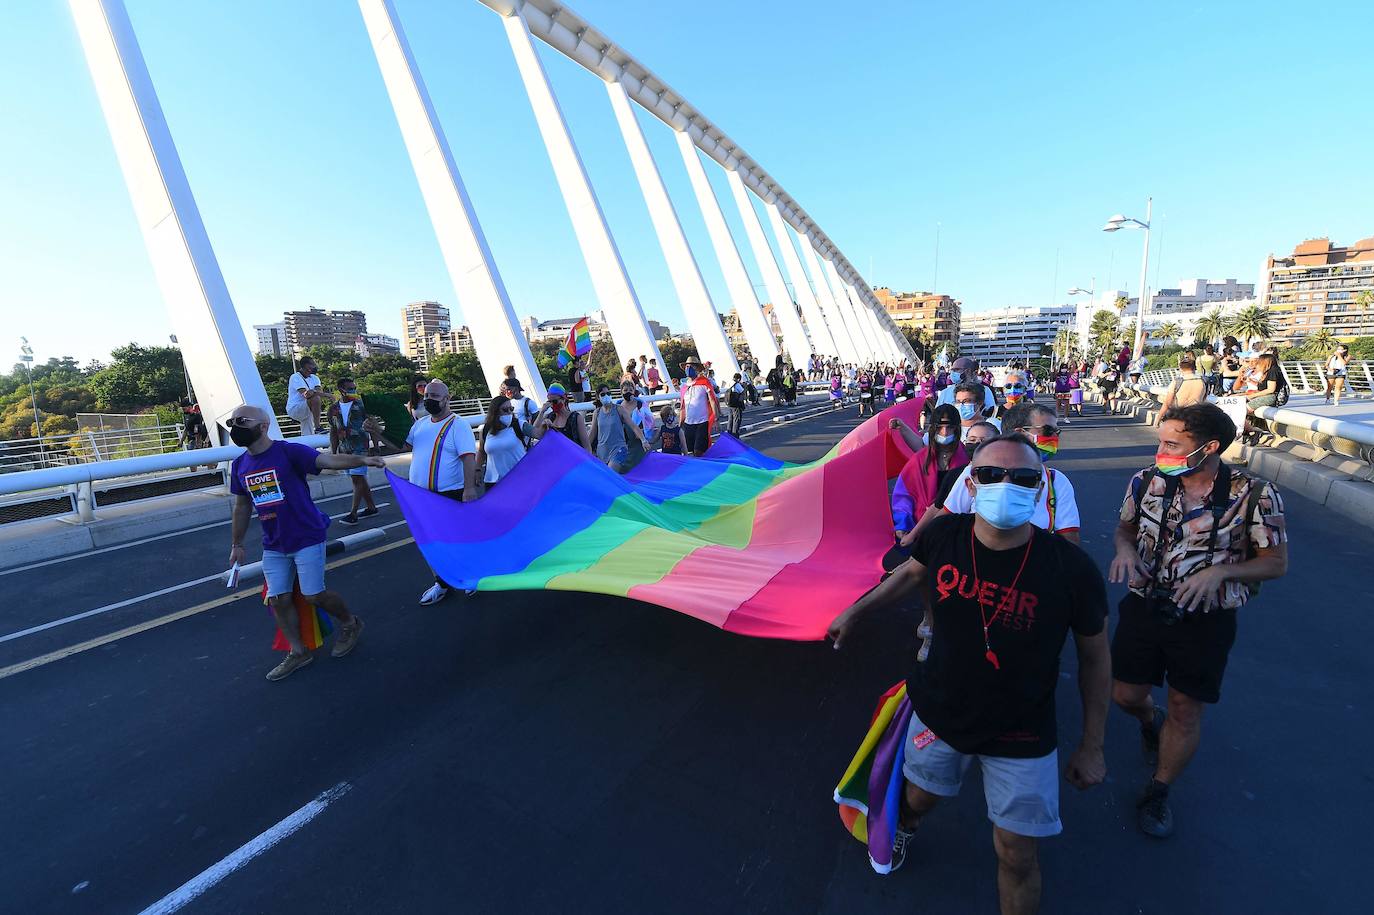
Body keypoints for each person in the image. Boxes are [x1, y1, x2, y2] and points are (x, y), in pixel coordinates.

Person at [827, 434, 1110, 912]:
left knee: (1017, 853)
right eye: (991, 474)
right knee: (918, 799)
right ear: (970, 484)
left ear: (1041, 489)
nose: (1006, 484)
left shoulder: (1072, 570)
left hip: (1023, 732)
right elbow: (913, 575)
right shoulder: (944, 535)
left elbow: (1096, 659)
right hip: (940, 712)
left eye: (1022, 477)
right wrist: (857, 611)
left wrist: (1093, 745)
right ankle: (907, 829)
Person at [1108, 403, 1288, 838]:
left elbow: (1274, 562)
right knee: (1125, 695)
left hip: (1207, 619)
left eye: (1172, 444)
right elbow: (1125, 530)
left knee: (1186, 710)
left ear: (1207, 448)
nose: (1160, 451)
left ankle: (1159, 790)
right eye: (1160, 441)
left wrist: (1221, 570)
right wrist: (1125, 552)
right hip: (1146, 605)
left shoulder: (1256, 494)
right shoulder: (1146, 481)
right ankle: (1151, 723)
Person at [225, 404, 380, 681]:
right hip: (274, 543)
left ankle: (349, 623)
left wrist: (362, 460)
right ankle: (299, 652)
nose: (235, 426)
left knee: (313, 595)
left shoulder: (288, 452)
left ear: (263, 426)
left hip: (307, 535)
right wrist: (237, 544)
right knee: (278, 599)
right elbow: (241, 507)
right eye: (232, 421)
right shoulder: (239, 465)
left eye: (242, 421)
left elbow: (328, 461)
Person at [942, 402, 1080, 544]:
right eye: (1048, 431)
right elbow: (945, 521)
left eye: (1057, 432)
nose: (1054, 437)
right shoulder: (978, 472)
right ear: (1020, 433)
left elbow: (1069, 540)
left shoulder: (1056, 481)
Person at [407, 380, 478, 606]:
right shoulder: (420, 425)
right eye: (427, 395)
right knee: (428, 541)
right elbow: (403, 446)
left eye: (435, 396)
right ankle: (442, 582)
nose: (429, 399)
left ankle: (469, 577)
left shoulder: (458, 425)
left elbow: (468, 457)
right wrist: (377, 433)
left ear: (447, 399)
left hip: (450, 493)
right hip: (419, 495)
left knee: (455, 539)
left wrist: (469, 488)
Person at [327, 378, 379, 525]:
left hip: (360, 448)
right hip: (345, 449)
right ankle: (371, 507)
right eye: (350, 388)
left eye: (354, 388)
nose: (353, 391)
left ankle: (353, 513)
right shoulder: (333, 409)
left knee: (357, 478)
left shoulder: (362, 405)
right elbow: (333, 431)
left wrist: (375, 446)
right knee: (359, 478)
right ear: (341, 390)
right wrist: (333, 451)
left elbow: (372, 426)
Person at [590, 383, 646, 473]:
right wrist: (584, 449)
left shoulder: (619, 409)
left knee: (611, 474)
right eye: (603, 394)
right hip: (602, 451)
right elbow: (592, 433)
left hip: (618, 449)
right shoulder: (597, 412)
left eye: (608, 393)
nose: (606, 396)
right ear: (598, 397)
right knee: (607, 479)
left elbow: (633, 426)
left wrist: (643, 440)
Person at [476, 395, 527, 491]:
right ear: (495, 412)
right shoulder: (485, 430)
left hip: (519, 479)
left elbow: (538, 433)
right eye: (505, 410)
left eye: (511, 409)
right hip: (494, 482)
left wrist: (545, 420)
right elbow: (481, 451)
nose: (509, 413)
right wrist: (477, 470)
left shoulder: (518, 424)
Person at [678, 356, 720, 456]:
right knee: (688, 452)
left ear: (697, 369)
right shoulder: (684, 387)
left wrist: (716, 420)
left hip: (702, 423)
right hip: (688, 424)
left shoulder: (705, 383)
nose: (689, 368)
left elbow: (713, 401)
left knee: (699, 452)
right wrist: (679, 425)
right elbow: (682, 407)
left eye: (692, 366)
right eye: (687, 366)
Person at [532, 383, 591, 452]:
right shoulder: (550, 417)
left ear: (564, 399)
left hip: (573, 458)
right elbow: (534, 432)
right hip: (557, 458)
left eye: (554, 401)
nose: (552, 405)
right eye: (549, 402)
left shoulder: (575, 418)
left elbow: (587, 447)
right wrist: (542, 412)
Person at [1154, 357, 1208, 425]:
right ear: (1195, 368)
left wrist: (1158, 418)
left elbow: (1167, 403)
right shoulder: (1203, 381)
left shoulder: (1177, 382)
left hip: (1180, 416)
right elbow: (1204, 399)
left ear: (1181, 369)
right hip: (1196, 416)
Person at [286, 357, 331, 436]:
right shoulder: (295, 377)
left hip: (307, 407)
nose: (314, 366)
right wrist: (326, 395)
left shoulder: (315, 378)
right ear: (306, 365)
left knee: (308, 434)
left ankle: (309, 445)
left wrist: (314, 392)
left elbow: (319, 391)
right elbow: (306, 394)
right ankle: (318, 427)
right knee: (315, 398)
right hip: (295, 408)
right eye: (312, 364)